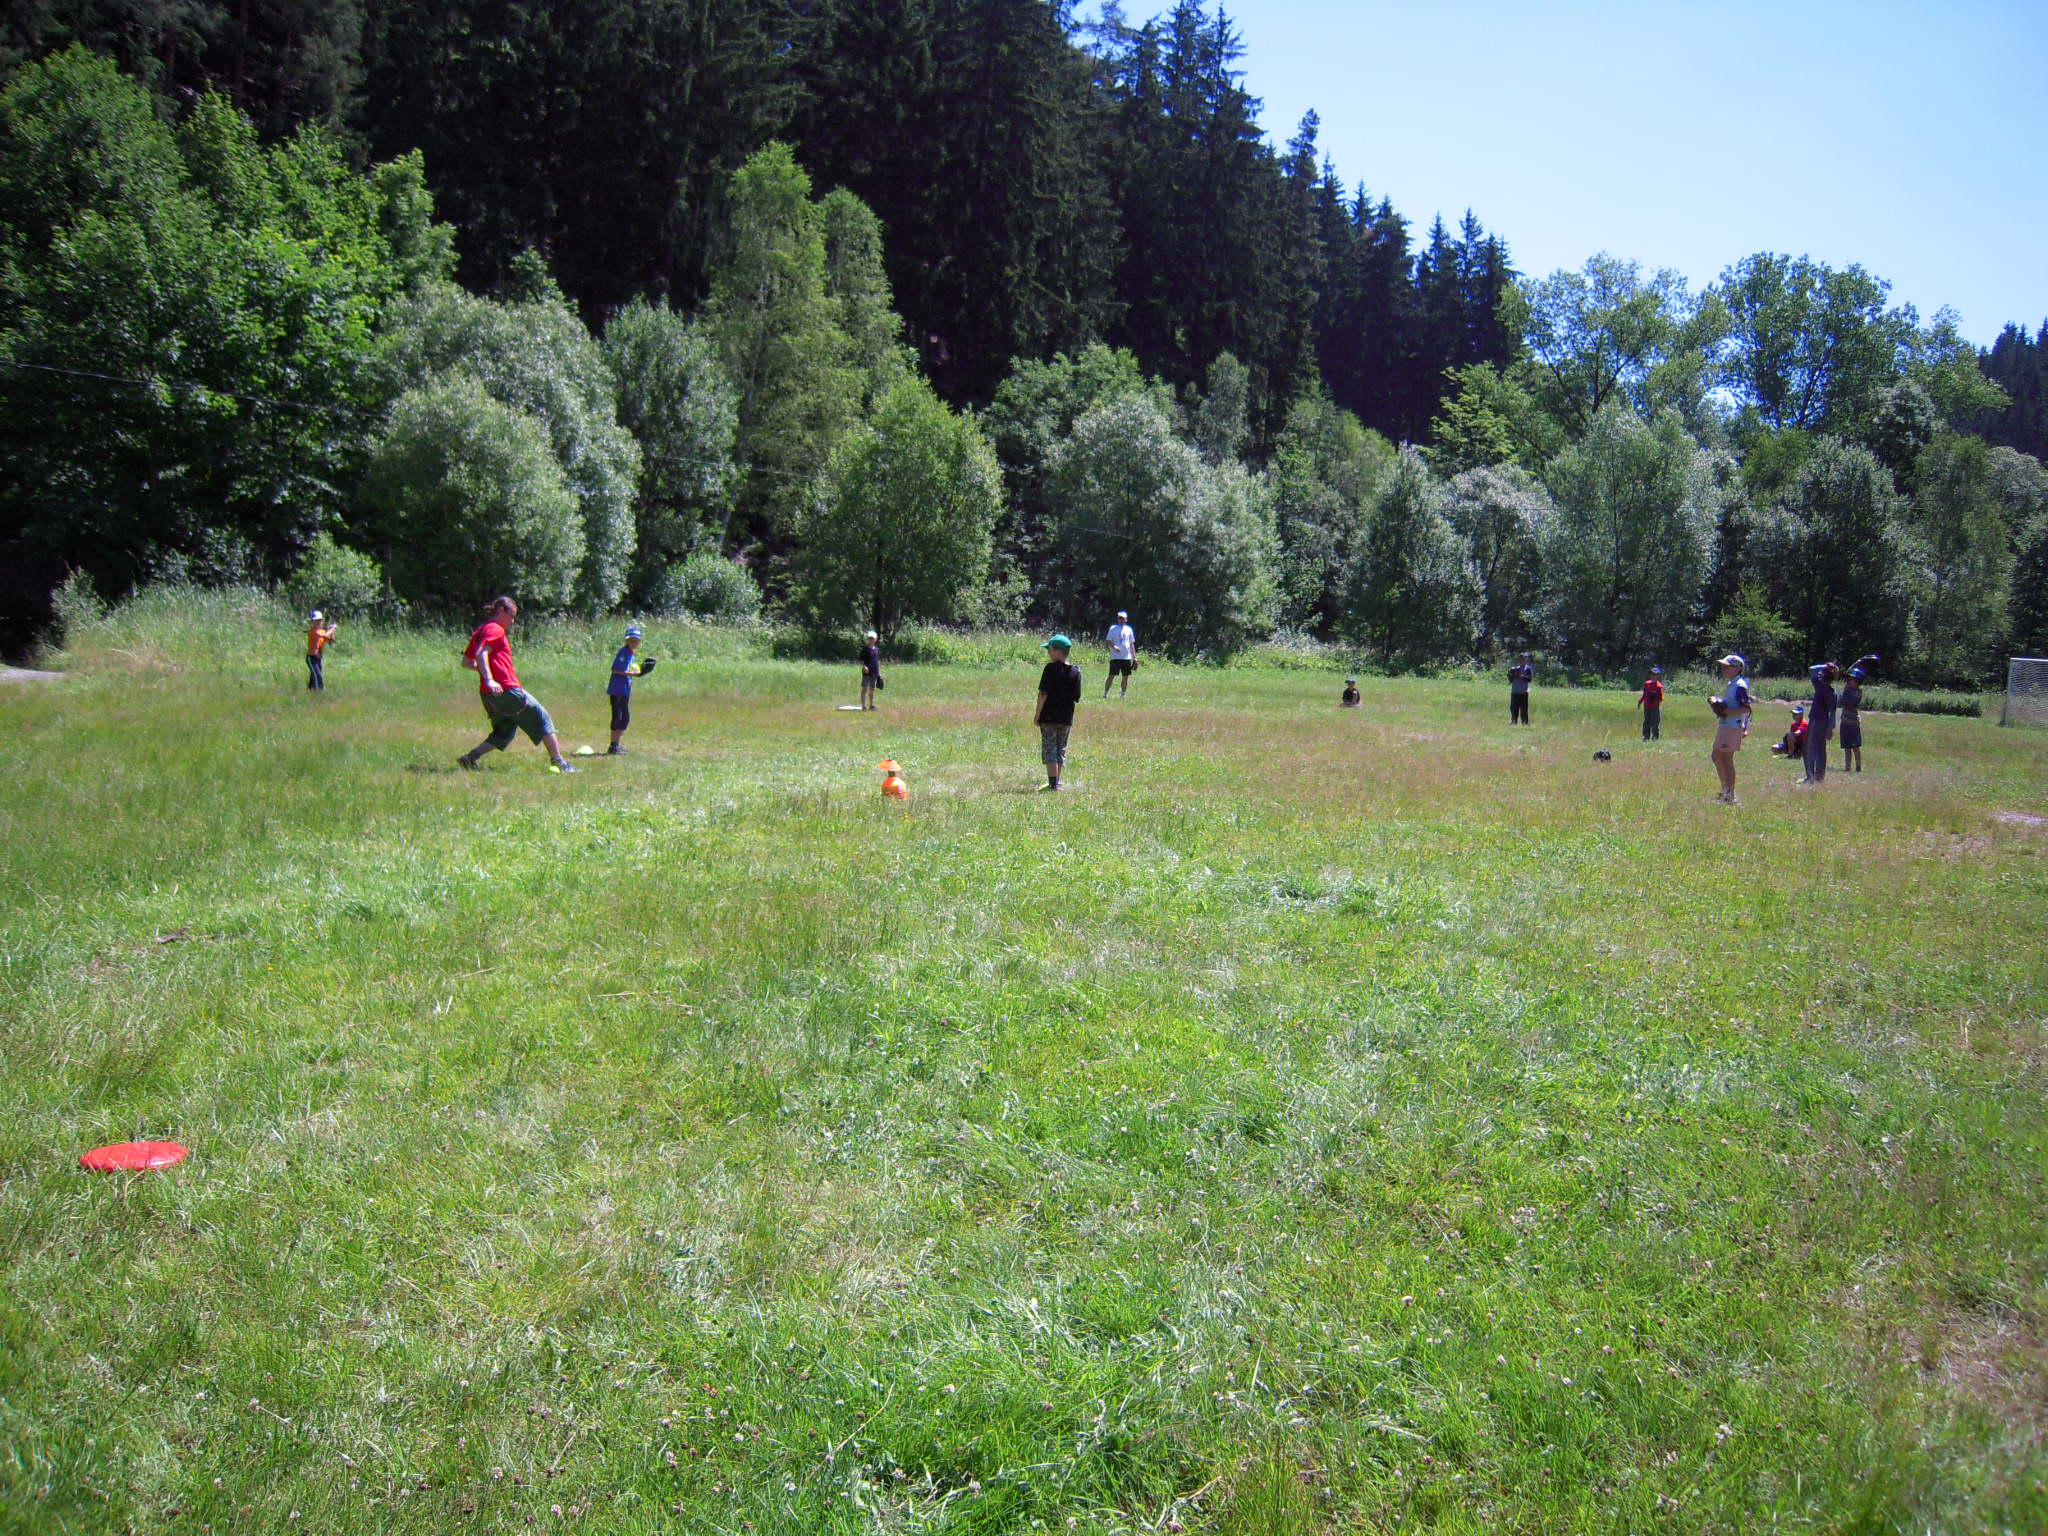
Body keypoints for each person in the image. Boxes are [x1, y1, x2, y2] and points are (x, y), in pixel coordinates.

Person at [456, 595, 577, 773]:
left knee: (504, 732)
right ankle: (559, 762)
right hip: (507, 690)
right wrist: (490, 679)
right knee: (542, 717)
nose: (512, 621)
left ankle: (469, 758)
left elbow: (467, 662)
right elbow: (481, 653)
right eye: (511, 616)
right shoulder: (495, 629)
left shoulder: (481, 630)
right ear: (501, 610)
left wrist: (489, 677)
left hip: (489, 694)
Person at [1034, 633, 1083, 791]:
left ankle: (1053, 784)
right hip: (1066, 718)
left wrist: (1037, 715)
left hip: (1049, 717)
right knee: (1060, 748)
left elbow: (1043, 694)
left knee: (1050, 748)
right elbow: (1077, 697)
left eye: (1050, 649)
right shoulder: (1076, 671)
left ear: (1058, 652)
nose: (1048, 652)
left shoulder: (1050, 669)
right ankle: (1056, 782)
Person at [1709, 652, 1753, 803]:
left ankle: (1729, 794)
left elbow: (1746, 708)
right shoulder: (1733, 683)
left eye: (1727, 667)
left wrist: (1726, 711)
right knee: (1717, 756)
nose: (1723, 669)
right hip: (1726, 724)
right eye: (1723, 666)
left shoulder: (1740, 685)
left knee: (1725, 759)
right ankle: (1726, 791)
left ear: (1737, 668)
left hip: (1732, 726)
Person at [1799, 662, 1838, 785]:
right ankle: (1819, 777)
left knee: (1809, 748)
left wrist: (1831, 728)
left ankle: (1811, 777)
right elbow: (1812, 670)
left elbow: (1832, 711)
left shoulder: (1823, 688)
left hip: (1817, 721)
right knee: (1820, 749)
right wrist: (1829, 667)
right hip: (1821, 722)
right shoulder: (1827, 689)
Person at [607, 625, 643, 755]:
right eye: (631, 640)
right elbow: (615, 669)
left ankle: (616, 745)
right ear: (626, 640)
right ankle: (613, 746)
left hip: (624, 689)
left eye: (636, 640)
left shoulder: (630, 652)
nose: (634, 642)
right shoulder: (624, 652)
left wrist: (640, 671)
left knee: (624, 718)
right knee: (619, 717)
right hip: (617, 689)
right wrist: (632, 674)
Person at [1839, 664, 1867, 772]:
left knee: (1855, 746)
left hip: (1853, 722)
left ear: (1857, 681)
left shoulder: (1858, 692)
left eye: (1852, 680)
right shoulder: (1847, 689)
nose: (1850, 682)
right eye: (1849, 679)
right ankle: (1847, 766)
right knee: (1846, 747)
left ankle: (1858, 766)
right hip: (1845, 721)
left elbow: (1851, 705)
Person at [1105, 610, 1137, 697]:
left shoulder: (1129, 629)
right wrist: (1114, 647)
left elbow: (1131, 644)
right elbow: (1108, 642)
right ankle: (1106, 693)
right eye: (1120, 618)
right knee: (1111, 676)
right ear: (1117, 619)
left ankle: (1123, 694)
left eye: (1123, 618)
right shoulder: (1113, 629)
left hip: (1126, 657)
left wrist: (1134, 657)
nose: (1121, 620)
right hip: (1115, 657)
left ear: (1126, 619)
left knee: (1125, 677)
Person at [305, 610, 337, 691]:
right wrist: (332, 628)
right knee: (317, 676)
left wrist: (332, 631)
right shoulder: (313, 632)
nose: (318, 622)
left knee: (314, 675)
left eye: (319, 620)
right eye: (316, 621)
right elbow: (325, 635)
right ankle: (319, 692)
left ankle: (310, 690)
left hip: (319, 657)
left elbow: (331, 642)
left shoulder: (322, 631)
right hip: (311, 658)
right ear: (313, 622)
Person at [1637, 665, 1664, 740]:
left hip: (1655, 707)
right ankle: (1646, 736)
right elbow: (1644, 694)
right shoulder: (1647, 684)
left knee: (1655, 722)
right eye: (1652, 674)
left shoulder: (1659, 686)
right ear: (1650, 675)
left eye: (1655, 674)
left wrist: (1654, 701)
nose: (1653, 675)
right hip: (1647, 706)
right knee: (1646, 722)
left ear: (1658, 675)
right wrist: (1640, 701)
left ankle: (1655, 737)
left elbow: (1661, 698)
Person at [859, 630, 883, 711]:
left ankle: (871, 705)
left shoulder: (877, 649)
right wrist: (864, 666)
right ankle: (863, 706)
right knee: (865, 688)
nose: (871, 639)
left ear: (875, 639)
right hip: (866, 672)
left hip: (874, 672)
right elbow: (861, 660)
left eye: (872, 638)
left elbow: (878, 661)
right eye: (869, 638)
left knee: (872, 689)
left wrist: (879, 672)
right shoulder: (865, 649)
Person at [1508, 652, 1534, 724]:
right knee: (1513, 708)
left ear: (1526, 660)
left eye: (1523, 659)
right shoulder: (1515, 668)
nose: (1522, 660)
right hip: (1515, 691)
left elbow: (1529, 679)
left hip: (1523, 692)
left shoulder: (1528, 669)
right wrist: (1510, 675)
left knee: (1524, 709)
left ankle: (1524, 722)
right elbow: (1511, 680)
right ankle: (1514, 721)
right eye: (1521, 659)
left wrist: (1521, 676)